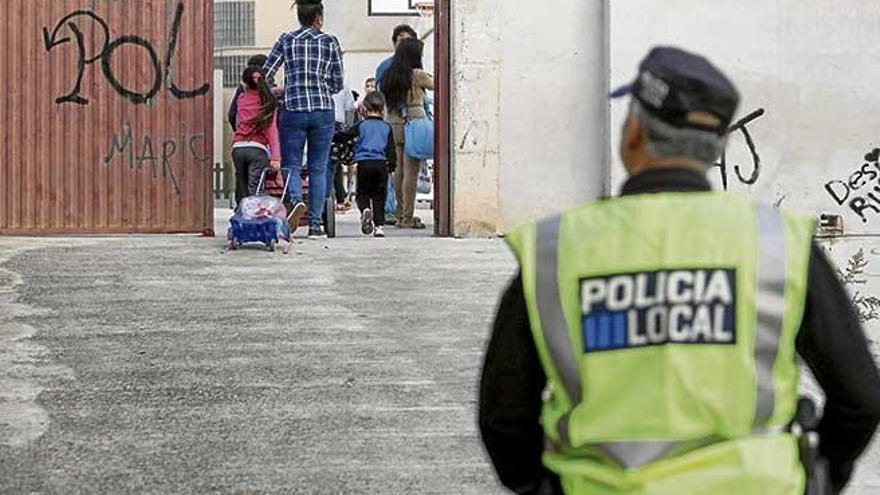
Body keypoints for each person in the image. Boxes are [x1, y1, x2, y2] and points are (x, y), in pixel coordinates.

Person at [479, 46, 880, 495]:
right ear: (720, 146)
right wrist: (821, 475)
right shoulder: (777, 243)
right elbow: (860, 400)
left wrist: (542, 485)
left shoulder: (557, 250)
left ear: (632, 133)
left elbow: (504, 418)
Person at [264, 0, 343, 240]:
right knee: (319, 167)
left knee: (291, 164)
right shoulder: (330, 42)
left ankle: (297, 201)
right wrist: (322, 86)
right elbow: (338, 83)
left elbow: (265, 73)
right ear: (318, 17)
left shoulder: (286, 39)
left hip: (293, 109)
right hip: (322, 111)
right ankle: (316, 226)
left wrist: (279, 91)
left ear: (299, 16)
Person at [380, 38, 434, 229]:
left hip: (395, 124)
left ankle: (400, 214)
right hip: (414, 123)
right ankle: (408, 218)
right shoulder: (417, 75)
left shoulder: (389, 75)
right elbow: (437, 85)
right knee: (411, 172)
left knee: (399, 171)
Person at [348, 92, 396, 238]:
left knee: (362, 193)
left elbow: (347, 135)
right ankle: (379, 227)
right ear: (383, 110)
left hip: (363, 163)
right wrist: (392, 166)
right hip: (381, 164)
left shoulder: (361, 125)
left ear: (365, 109)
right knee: (379, 196)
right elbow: (391, 149)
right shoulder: (387, 127)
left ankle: (365, 209)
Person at [230, 66, 281, 207]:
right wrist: (276, 157)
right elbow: (272, 131)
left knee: (242, 185)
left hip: (238, 148)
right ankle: (256, 219)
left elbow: (236, 120)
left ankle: (240, 215)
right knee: (255, 188)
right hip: (257, 150)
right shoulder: (268, 102)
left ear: (244, 83)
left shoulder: (241, 98)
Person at [227, 54, 269, 132]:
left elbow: (232, 115)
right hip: (265, 139)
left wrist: (240, 131)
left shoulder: (242, 89)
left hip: (242, 137)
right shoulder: (271, 91)